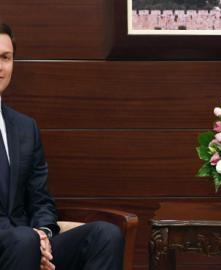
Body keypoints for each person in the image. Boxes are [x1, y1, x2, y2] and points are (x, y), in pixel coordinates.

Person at [0, 22, 124, 269]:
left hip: (28, 241)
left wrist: (43, 234)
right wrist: (30, 239)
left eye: (5, 57)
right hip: (14, 243)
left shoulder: (25, 128)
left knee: (105, 235)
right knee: (24, 239)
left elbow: (41, 200)